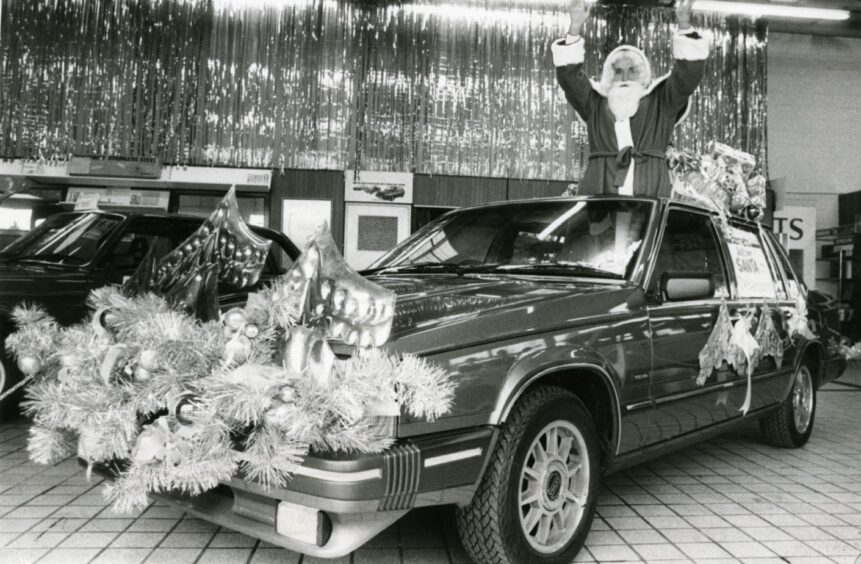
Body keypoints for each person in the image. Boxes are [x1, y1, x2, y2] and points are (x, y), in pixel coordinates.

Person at [552, 0, 710, 197]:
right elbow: (569, 77)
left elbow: (688, 75)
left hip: (650, 193)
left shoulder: (661, 103)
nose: (625, 77)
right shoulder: (594, 104)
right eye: (618, 71)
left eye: (632, 70)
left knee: (650, 219)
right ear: (609, 76)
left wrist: (684, 25)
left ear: (642, 75)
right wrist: (575, 27)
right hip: (601, 192)